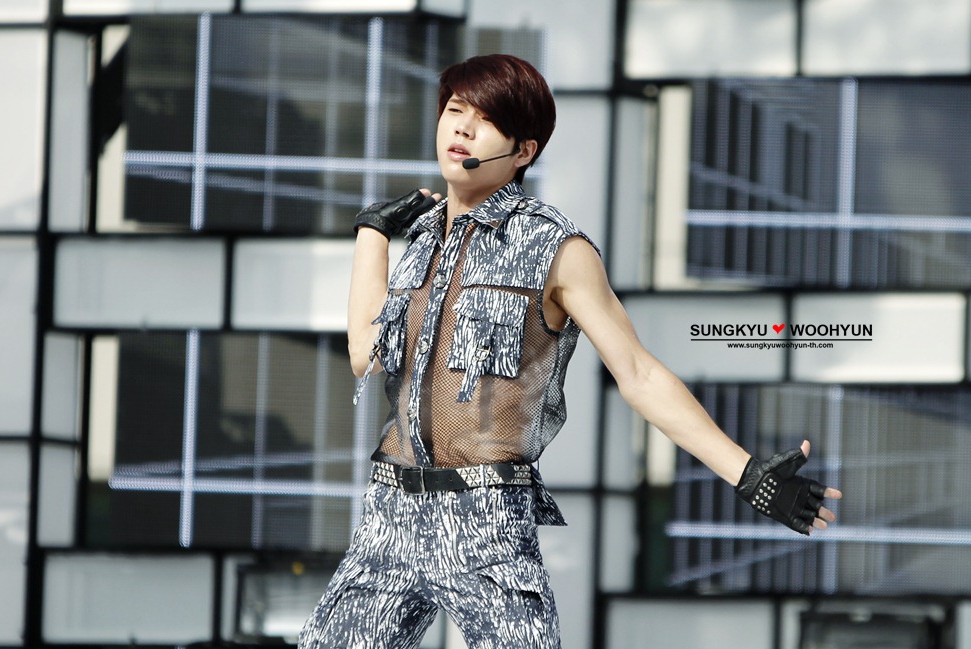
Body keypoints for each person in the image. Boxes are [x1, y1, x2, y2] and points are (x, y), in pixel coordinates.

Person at [297, 53, 842, 649]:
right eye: (455, 111)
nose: (463, 128)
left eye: (486, 119)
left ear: (523, 151)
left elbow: (637, 372)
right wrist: (373, 232)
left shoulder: (555, 247)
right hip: (388, 514)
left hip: (485, 520)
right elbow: (365, 354)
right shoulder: (421, 241)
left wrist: (744, 472)